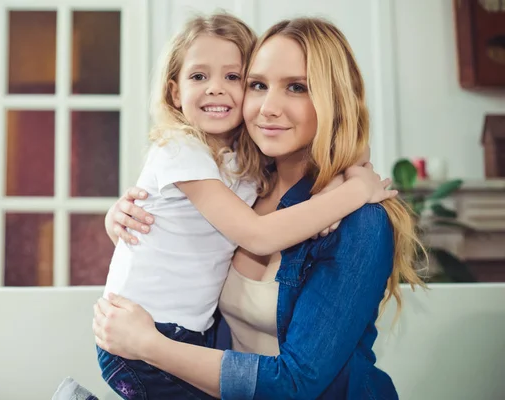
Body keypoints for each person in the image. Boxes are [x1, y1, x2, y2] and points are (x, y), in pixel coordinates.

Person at [94, 17, 425, 400]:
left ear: (334, 100)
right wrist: (120, 215)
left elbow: (296, 384)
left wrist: (150, 346)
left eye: (297, 87)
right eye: (258, 85)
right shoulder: (246, 186)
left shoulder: (361, 223)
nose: (269, 107)